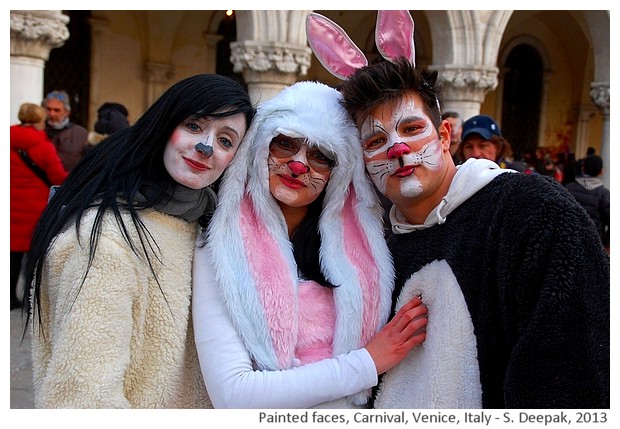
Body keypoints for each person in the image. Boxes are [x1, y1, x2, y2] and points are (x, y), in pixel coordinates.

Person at [309, 10, 609, 409]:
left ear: (446, 135)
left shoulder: (532, 213)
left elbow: (569, 379)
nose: (397, 149)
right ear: (362, 160)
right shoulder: (373, 249)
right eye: (375, 141)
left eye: (412, 129)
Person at [24, 74, 256, 408]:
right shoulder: (105, 239)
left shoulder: (202, 225)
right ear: (165, 125)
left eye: (225, 141)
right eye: (193, 126)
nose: (206, 147)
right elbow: (83, 400)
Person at [192, 80, 428, 409]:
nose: (299, 165)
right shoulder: (218, 246)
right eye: (285, 143)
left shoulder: (365, 256)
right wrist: (367, 363)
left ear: (338, 172)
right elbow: (234, 395)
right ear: (261, 146)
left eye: (320, 155)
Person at [10, 103, 68, 310]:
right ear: (38, 120)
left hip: (10, 203)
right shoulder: (42, 145)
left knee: (12, 253)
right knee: (34, 254)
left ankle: (9, 297)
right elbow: (57, 176)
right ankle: (29, 298)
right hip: (35, 205)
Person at [566, 155, 610, 253]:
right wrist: (608, 244)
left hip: (569, 242)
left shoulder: (568, 188)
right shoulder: (603, 194)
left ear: (583, 168)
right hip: (595, 245)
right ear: (601, 171)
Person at [43, 90, 89, 171]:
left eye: (57, 110)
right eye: (49, 109)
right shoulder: (39, 131)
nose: (52, 114)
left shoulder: (80, 133)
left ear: (67, 112)